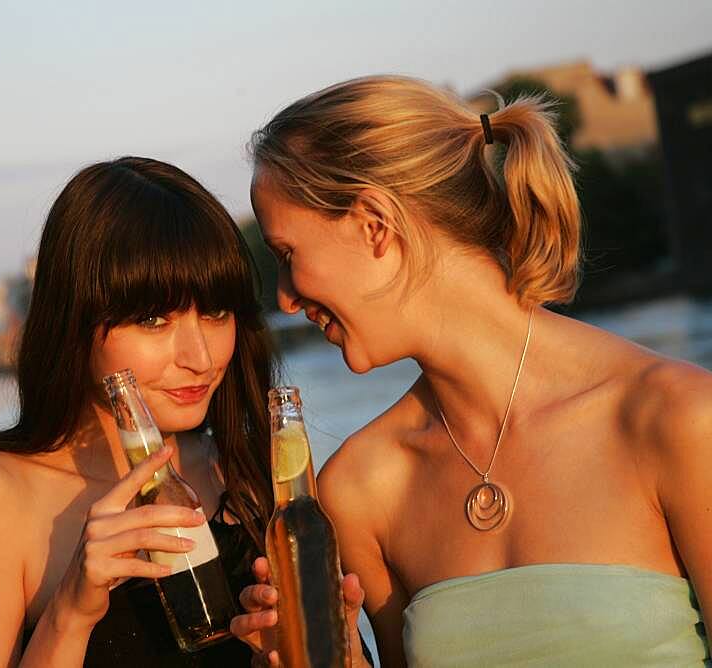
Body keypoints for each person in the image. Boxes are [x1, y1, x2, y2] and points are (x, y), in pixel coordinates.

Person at [234, 76, 711, 666]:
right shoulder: (361, 486)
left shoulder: (679, 420)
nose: (283, 297)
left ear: (374, 224)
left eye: (286, 256)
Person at [0, 157, 278, 666]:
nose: (199, 357)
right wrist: (71, 609)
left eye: (216, 312)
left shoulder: (244, 468)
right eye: (154, 319)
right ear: (75, 320)